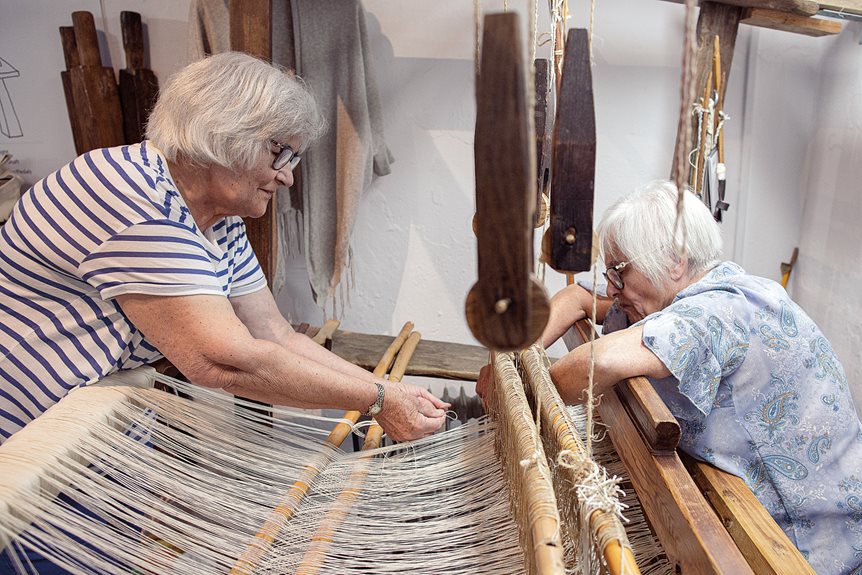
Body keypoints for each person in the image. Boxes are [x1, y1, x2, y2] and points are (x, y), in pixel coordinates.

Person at [0, 52, 448, 450]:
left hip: (86, 427)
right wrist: (378, 399)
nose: (288, 177)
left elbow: (274, 334)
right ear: (224, 132)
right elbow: (223, 360)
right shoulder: (129, 194)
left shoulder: (217, 218)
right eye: (280, 154)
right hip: (23, 440)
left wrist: (388, 391)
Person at [478, 180, 862, 574]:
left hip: (811, 546)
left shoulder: (718, 312)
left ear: (676, 260)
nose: (613, 287)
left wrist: (517, 394)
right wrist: (508, 361)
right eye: (610, 273)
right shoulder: (703, 296)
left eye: (620, 271)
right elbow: (577, 299)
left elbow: (599, 363)